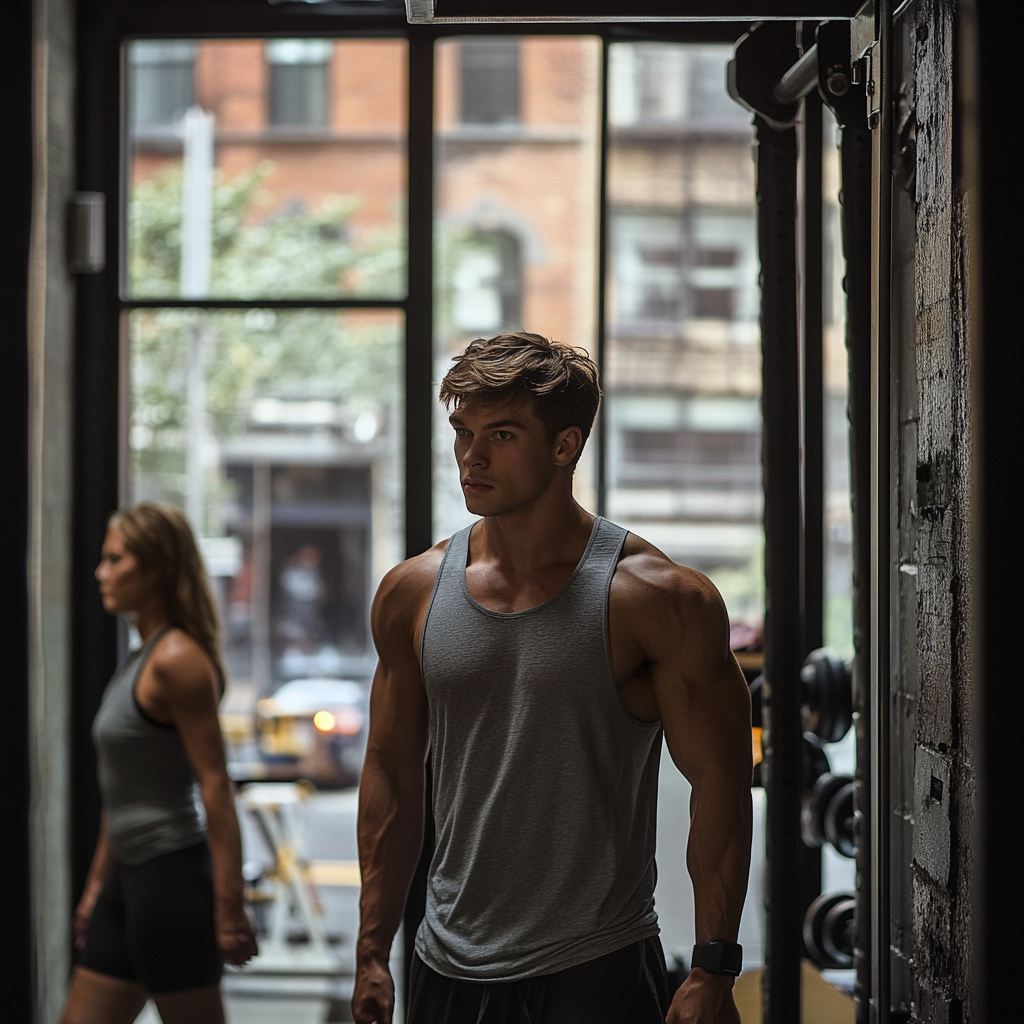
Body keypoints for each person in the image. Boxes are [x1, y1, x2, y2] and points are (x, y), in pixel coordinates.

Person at [352, 333, 752, 1024]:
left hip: (594, 965)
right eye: (463, 432)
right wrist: (369, 950)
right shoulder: (412, 593)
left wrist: (714, 963)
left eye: (501, 434)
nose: (471, 457)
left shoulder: (657, 599)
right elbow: (391, 773)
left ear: (565, 446)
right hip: (445, 962)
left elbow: (720, 777)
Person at [61, 502, 258, 1024]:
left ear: (155, 568)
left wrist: (230, 904)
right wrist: (95, 889)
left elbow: (216, 787)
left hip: (169, 882)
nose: (102, 572)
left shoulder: (177, 660)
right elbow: (122, 790)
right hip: (126, 878)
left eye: (115, 559)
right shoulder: (139, 657)